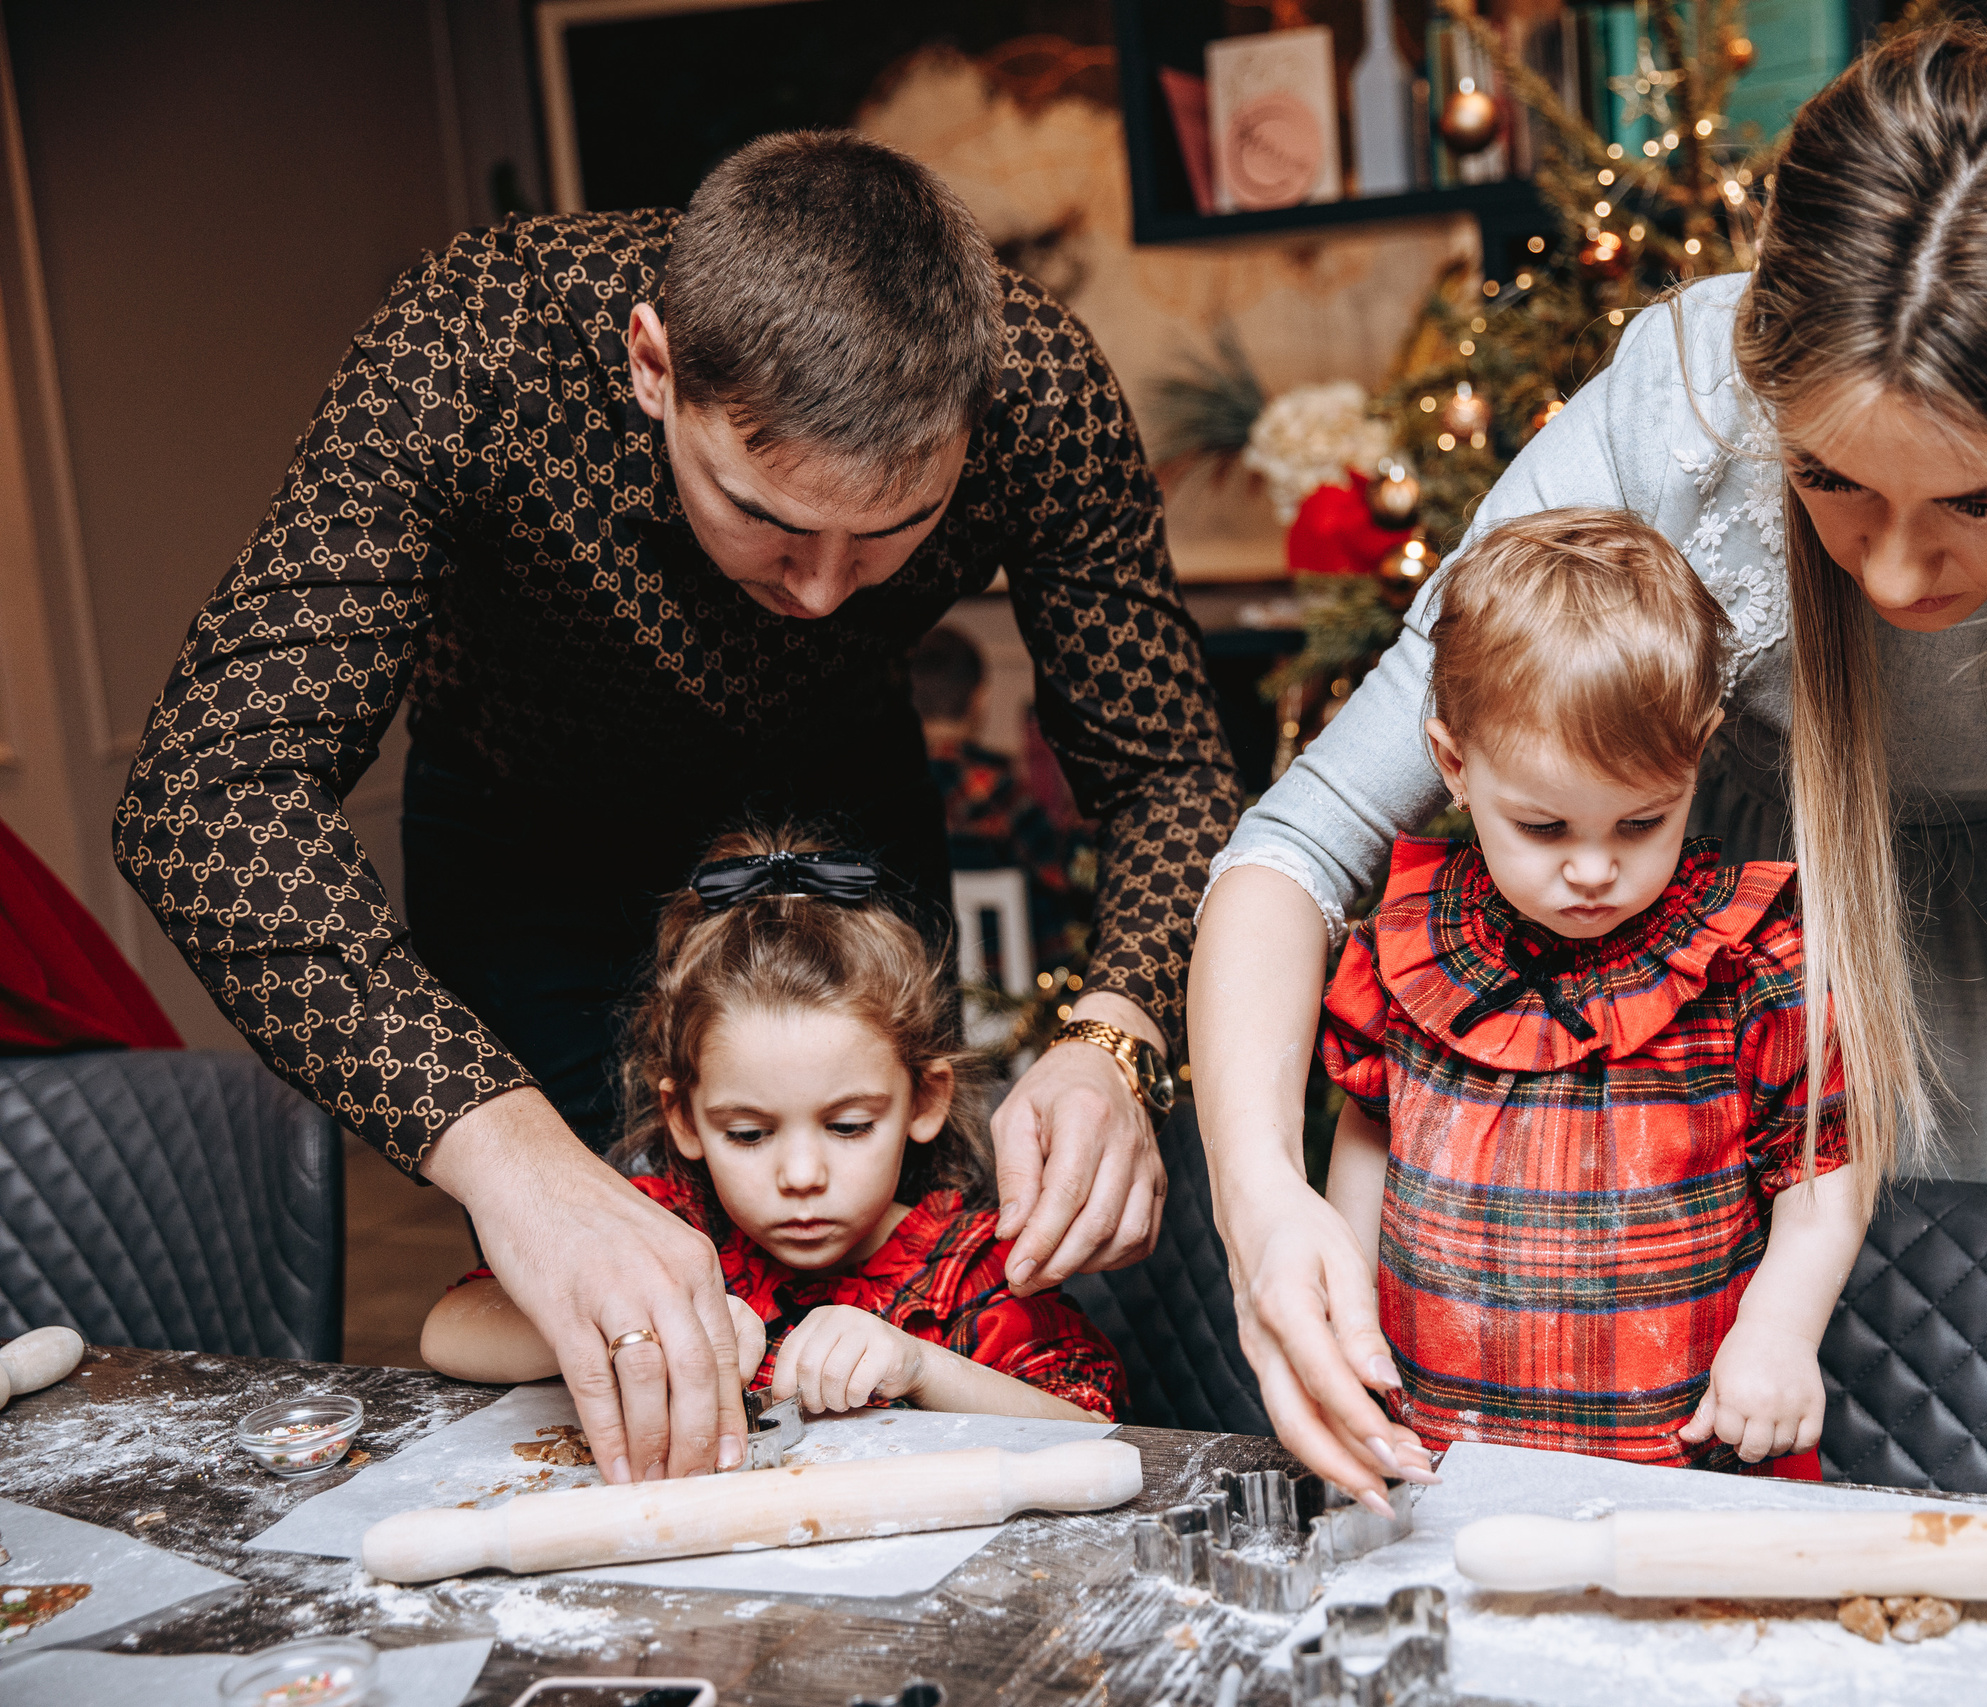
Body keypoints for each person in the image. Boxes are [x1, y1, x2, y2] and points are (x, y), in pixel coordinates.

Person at [1191, 24, 1987, 1645]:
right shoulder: (1675, 412)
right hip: (1749, 1012)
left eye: (1981, 500)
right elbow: (1302, 840)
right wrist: (1265, 1204)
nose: (1891, 573)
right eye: (1832, 483)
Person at [115, 132, 1231, 1485]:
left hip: (842, 822)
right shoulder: (475, 339)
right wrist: (509, 1152)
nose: (825, 590)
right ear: (654, 364)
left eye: (889, 536)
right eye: (767, 519)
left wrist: (1116, 1033)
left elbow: (1166, 766)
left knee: (902, 1297)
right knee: (599, 1340)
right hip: (531, 828)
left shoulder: (1038, 388)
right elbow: (206, 785)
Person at [1317, 511, 1860, 1495]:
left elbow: (1822, 1177)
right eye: (1544, 824)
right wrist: (1340, 1318)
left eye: (1640, 821)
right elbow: (1368, 1135)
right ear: (1453, 764)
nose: (1594, 870)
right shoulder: (1405, 948)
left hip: (1680, 1470)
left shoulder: (1751, 964)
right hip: (1442, 1454)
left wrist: (1779, 1334)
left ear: (1695, 757)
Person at [421, 826, 1127, 1424]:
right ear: (684, 1119)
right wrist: (637, 1323)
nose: (800, 1176)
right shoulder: (660, 1235)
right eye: (749, 1134)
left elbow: (1098, 1434)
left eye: (848, 1125)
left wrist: (919, 1366)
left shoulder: (975, 1273)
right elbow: (446, 1331)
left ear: (924, 1101)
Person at [909, 624, 1091, 965]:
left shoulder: (895, 792)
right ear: (980, 697)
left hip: (921, 986)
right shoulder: (995, 787)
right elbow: (1065, 874)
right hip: (1012, 992)